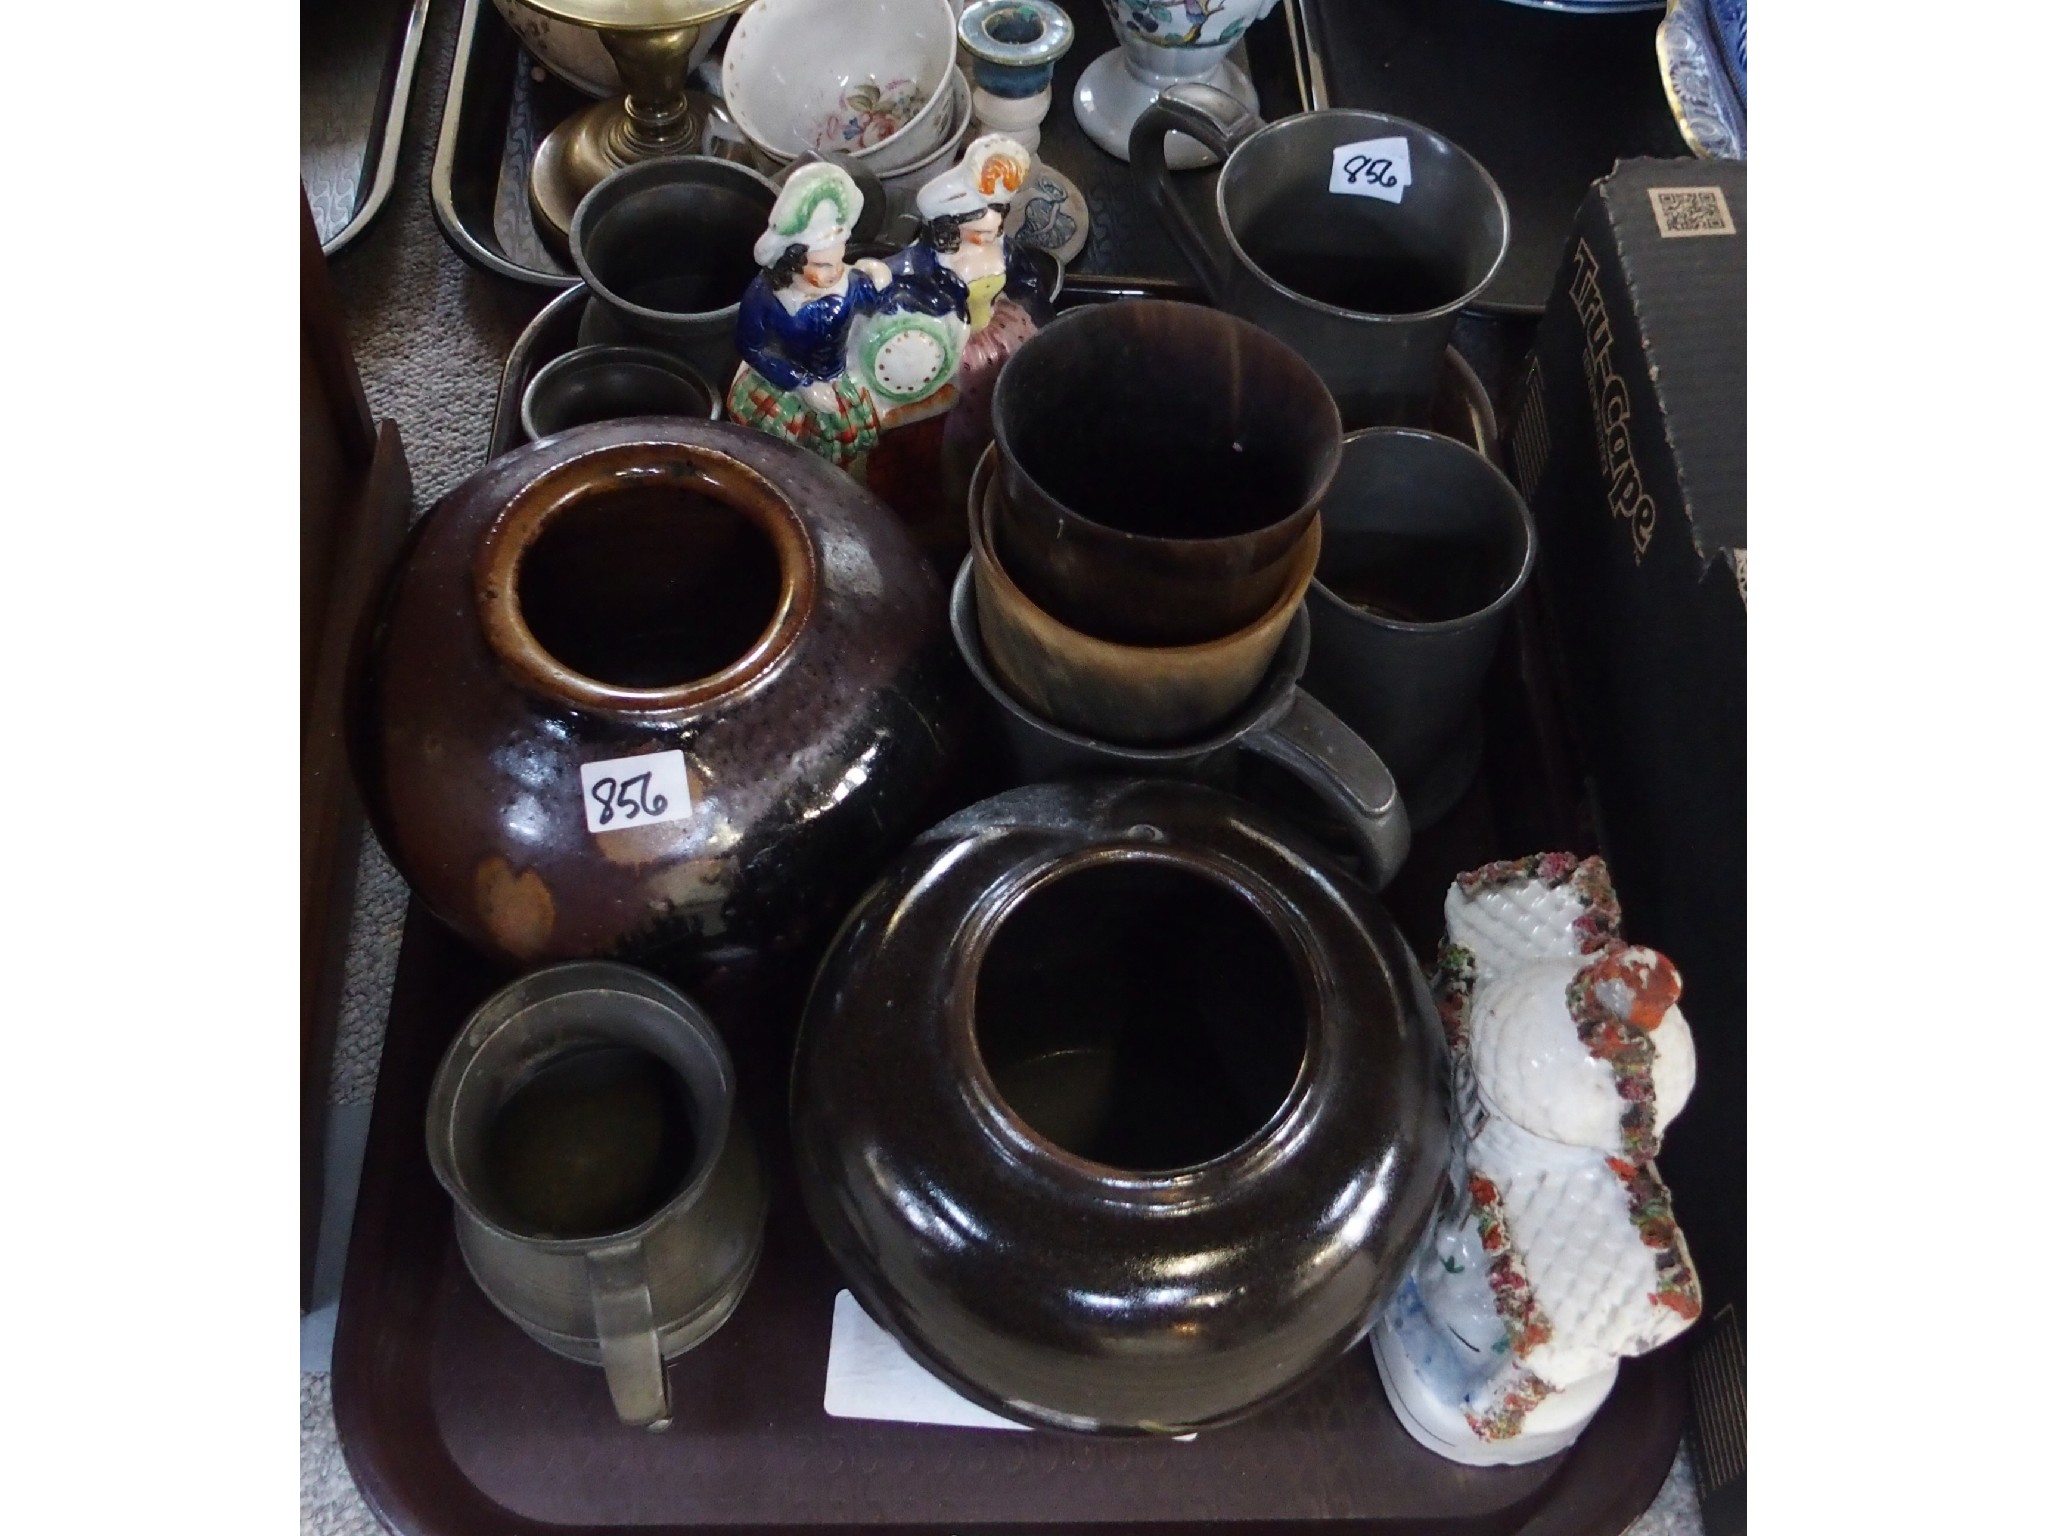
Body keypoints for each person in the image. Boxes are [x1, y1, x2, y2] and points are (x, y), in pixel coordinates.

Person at [727, 163, 896, 469]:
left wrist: (880, 276)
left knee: (843, 451)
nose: (834, 272)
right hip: (784, 386)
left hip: (835, 380)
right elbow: (750, 346)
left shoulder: (849, 283)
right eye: (821, 266)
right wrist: (801, 384)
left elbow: (874, 303)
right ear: (791, 261)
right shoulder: (766, 296)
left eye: (838, 260)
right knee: (778, 455)